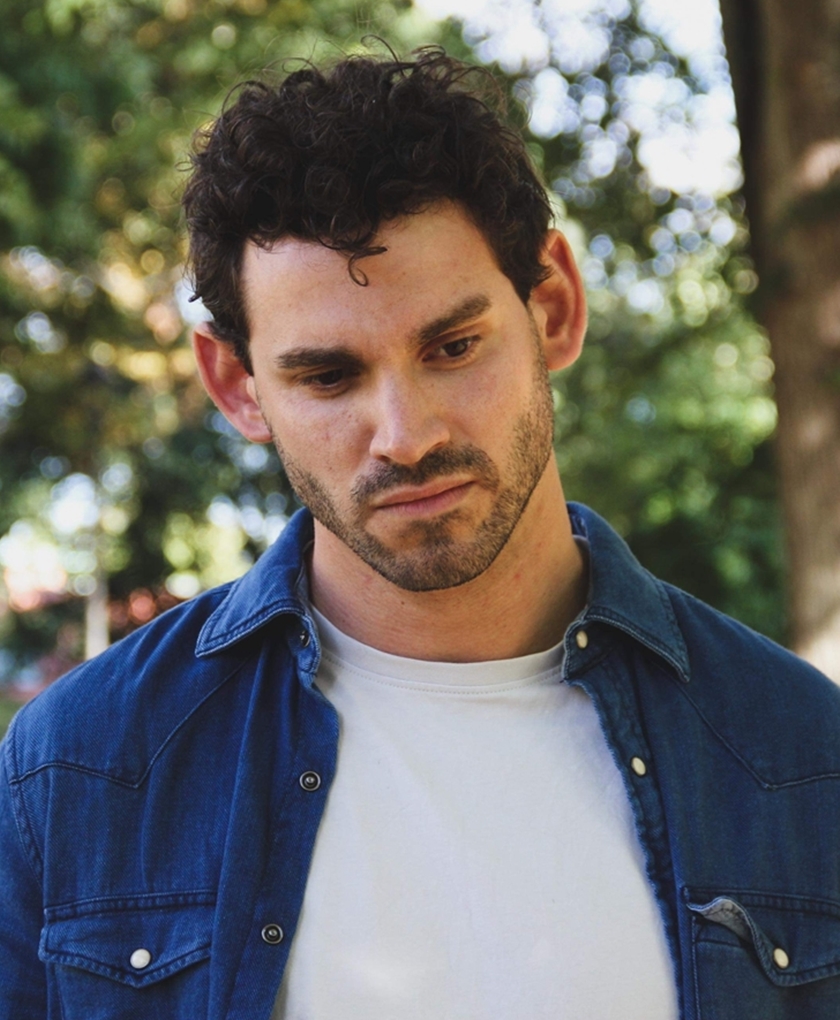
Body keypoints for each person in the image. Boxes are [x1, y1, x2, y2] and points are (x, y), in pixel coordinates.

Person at [1, 48, 840, 1020]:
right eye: (328, 377)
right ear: (238, 386)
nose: (406, 436)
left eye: (453, 346)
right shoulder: (83, 765)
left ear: (554, 308)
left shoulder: (800, 753)